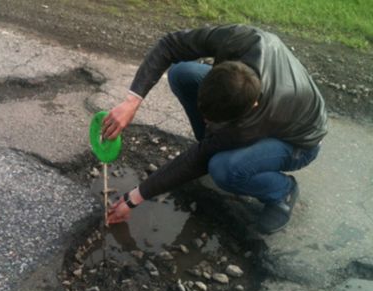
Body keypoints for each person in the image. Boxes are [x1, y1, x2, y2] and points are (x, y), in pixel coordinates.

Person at [102, 24, 327, 234]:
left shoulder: (254, 121)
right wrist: (132, 100)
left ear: (250, 107)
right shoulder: (240, 39)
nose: (205, 121)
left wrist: (133, 198)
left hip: (300, 140)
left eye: (212, 120)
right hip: (267, 87)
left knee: (223, 168)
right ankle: (219, 142)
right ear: (220, 68)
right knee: (182, 73)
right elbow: (169, 45)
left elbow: (198, 158)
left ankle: (281, 191)